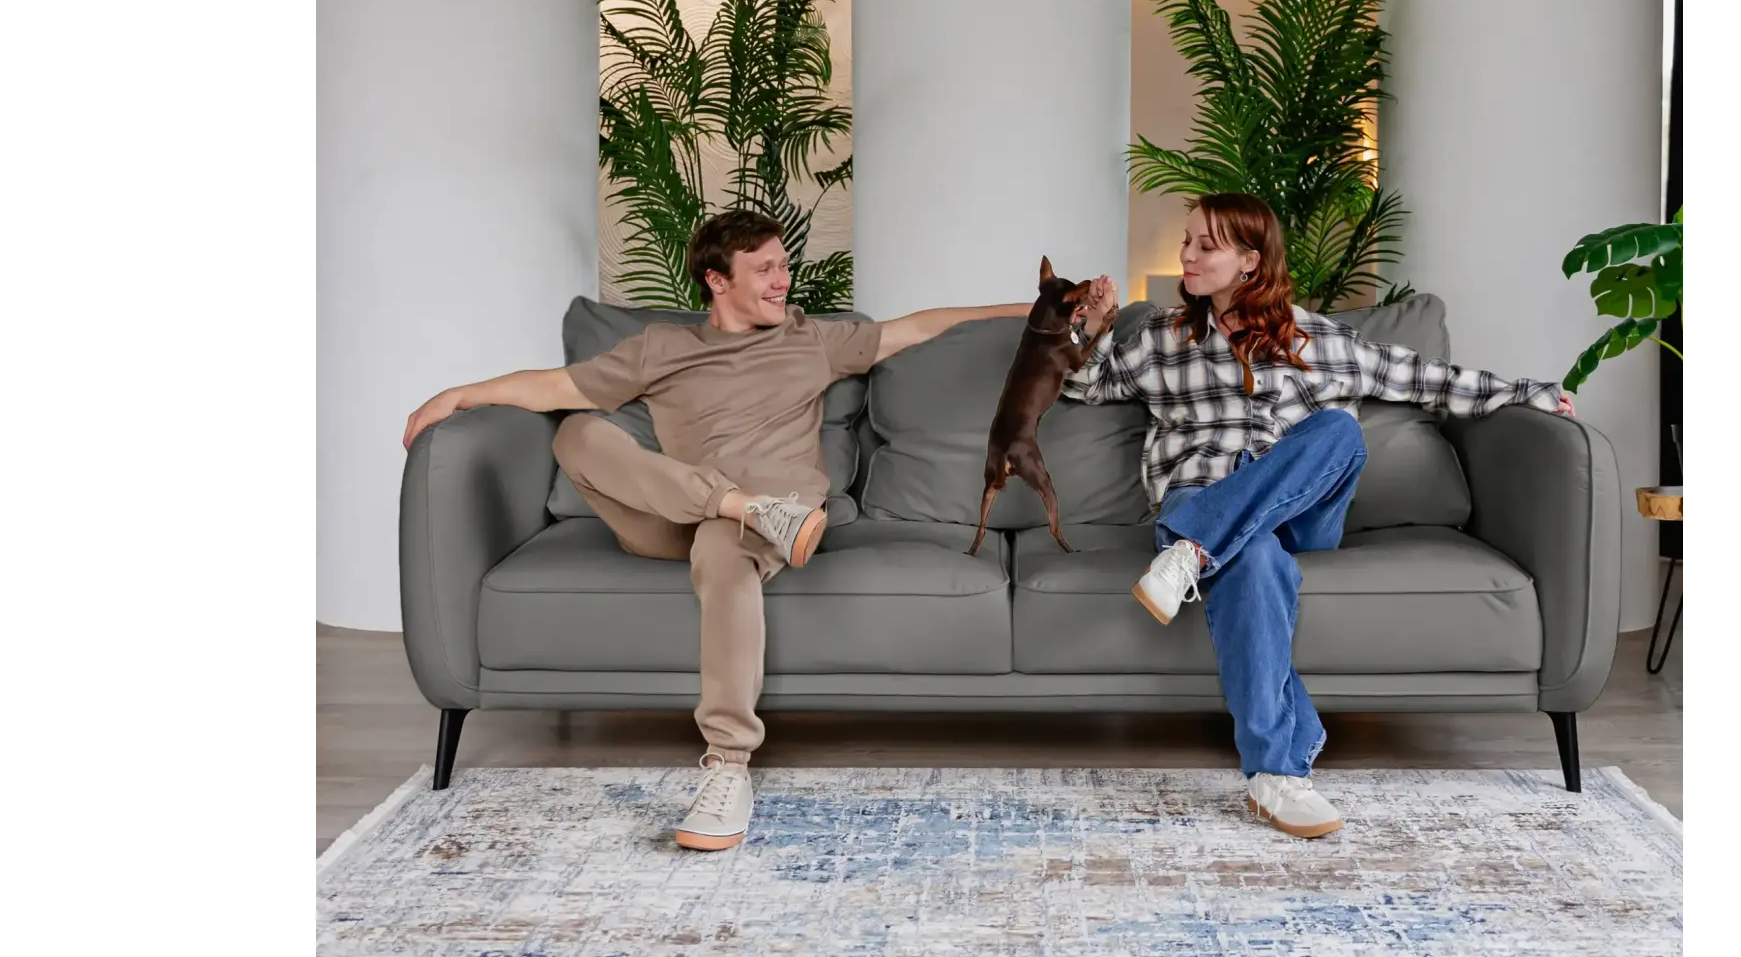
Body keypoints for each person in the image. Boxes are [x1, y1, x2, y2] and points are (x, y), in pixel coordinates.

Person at [402, 210, 1033, 851]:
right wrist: (460, 395)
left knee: (722, 545)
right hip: (674, 514)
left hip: (773, 519)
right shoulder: (660, 348)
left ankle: (728, 767)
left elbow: (921, 326)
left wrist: (1038, 307)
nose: (783, 281)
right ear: (717, 280)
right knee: (577, 432)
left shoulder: (811, 338)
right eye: (764, 270)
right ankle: (741, 505)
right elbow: (557, 386)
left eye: (784, 266)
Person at [1063, 193, 1574, 839]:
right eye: (1186, 241)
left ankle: (1193, 550)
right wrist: (1092, 327)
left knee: (1339, 431)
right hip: (1201, 493)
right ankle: (1275, 775)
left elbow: (1426, 378)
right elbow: (1086, 384)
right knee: (1252, 558)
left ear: (1250, 261)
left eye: (1205, 245)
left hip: (1296, 517)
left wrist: (1530, 393)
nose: (1186, 255)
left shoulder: (1317, 339)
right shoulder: (1165, 338)